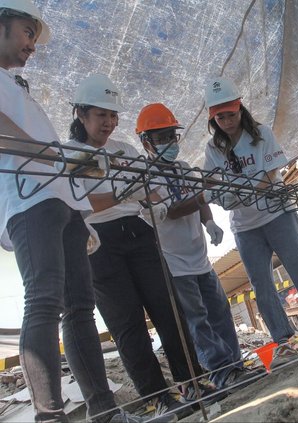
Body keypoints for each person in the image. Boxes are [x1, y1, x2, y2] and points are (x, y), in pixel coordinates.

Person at [0, 2, 172, 422]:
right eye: (26, 32)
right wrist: (52, 158)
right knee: (43, 302)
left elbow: (50, 157)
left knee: (78, 308)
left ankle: (105, 411)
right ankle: (49, 416)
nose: (32, 46)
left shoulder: (13, 85)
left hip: (61, 204)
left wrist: (77, 206)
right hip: (29, 202)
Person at [64, 75, 223, 420]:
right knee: (128, 323)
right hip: (100, 243)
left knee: (168, 309)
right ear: (80, 114)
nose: (108, 123)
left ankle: (192, 381)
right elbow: (85, 203)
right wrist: (127, 194)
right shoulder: (72, 154)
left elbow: (149, 194)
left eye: (113, 116)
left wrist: (147, 201)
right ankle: (158, 396)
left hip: (139, 231)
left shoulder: (125, 150)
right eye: (100, 115)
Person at [202, 77, 298, 369]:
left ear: (240, 108)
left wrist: (239, 194)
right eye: (220, 116)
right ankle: (283, 340)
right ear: (214, 118)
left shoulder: (260, 134)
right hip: (245, 227)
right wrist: (222, 199)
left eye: (230, 113)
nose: (226, 120)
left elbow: (270, 174)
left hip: (278, 213)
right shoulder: (213, 149)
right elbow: (210, 184)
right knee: (261, 286)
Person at [135, 102, 261, 391]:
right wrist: (207, 196)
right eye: (162, 137)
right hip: (173, 261)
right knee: (197, 319)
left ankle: (235, 366)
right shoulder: (146, 176)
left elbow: (197, 198)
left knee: (219, 311)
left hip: (199, 257)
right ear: (146, 142)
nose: (169, 143)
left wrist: (209, 222)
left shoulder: (183, 169)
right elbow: (175, 209)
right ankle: (220, 372)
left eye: (171, 136)